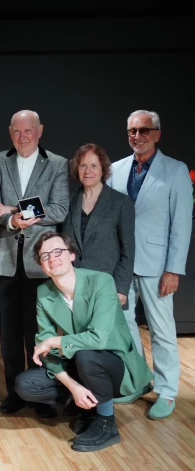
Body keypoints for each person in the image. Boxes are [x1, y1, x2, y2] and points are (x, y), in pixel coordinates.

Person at [15, 232, 152, 452]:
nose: (52, 258)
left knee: (86, 356)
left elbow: (98, 338)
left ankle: (106, 422)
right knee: (25, 384)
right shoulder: (44, 292)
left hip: (113, 363)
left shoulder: (100, 281)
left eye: (58, 251)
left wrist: (54, 340)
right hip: (80, 363)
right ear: (42, 266)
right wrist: (74, 386)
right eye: (45, 256)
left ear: (71, 255)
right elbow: (45, 349)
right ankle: (85, 405)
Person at [107, 110, 193, 419]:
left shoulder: (175, 170)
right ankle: (139, 380)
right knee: (126, 326)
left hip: (157, 266)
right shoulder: (115, 169)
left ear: (157, 134)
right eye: (132, 131)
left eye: (144, 130)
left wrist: (174, 269)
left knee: (162, 329)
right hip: (121, 264)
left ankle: (167, 392)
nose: (137, 136)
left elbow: (182, 224)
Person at [0, 110, 69, 417]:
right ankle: (14, 392)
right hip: (6, 260)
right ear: (10, 133)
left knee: (39, 332)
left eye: (28, 131)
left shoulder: (58, 164)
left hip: (42, 262)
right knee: (8, 333)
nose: (23, 136)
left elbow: (59, 209)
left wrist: (19, 213)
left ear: (40, 131)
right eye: (17, 131)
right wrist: (12, 220)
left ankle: (42, 395)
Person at [61, 144, 135, 306]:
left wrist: (121, 289)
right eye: (83, 165)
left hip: (106, 286)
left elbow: (128, 251)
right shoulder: (67, 202)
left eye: (94, 165)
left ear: (103, 169)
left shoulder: (121, 203)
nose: (88, 171)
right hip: (71, 286)